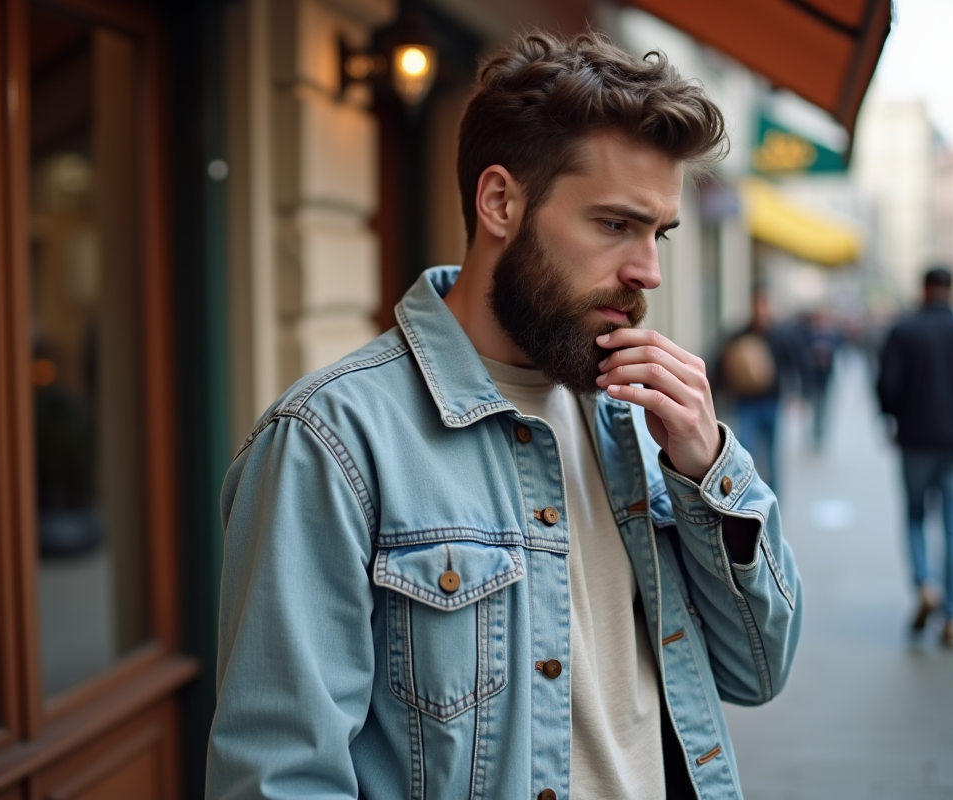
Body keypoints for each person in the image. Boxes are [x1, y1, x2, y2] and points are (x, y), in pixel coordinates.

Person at [208, 31, 802, 800]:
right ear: (500, 202)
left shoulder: (637, 418)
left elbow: (756, 671)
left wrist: (708, 467)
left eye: (659, 232)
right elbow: (279, 781)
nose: (647, 270)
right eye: (616, 224)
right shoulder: (331, 442)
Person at [877, 266, 953, 646]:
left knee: (915, 517)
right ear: (952, 290)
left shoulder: (904, 331)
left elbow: (887, 387)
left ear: (924, 289)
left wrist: (893, 418)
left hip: (916, 440)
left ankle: (925, 583)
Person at [718, 289, 804, 497]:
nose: (761, 310)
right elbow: (722, 363)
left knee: (773, 454)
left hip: (772, 402)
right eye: (757, 304)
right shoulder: (740, 335)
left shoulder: (780, 335)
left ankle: (773, 499)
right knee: (745, 450)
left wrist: (798, 394)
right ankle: (744, 495)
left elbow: (794, 363)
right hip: (746, 403)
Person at [799, 307, 841, 452]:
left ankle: (819, 434)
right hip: (811, 378)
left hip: (825, 378)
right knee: (811, 406)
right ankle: (811, 433)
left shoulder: (832, 335)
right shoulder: (808, 335)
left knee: (822, 407)